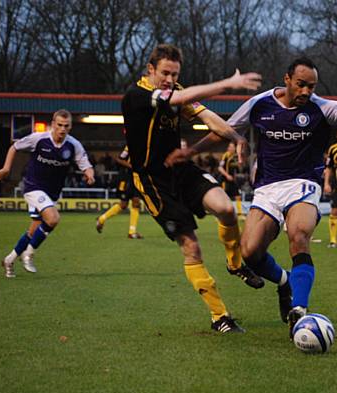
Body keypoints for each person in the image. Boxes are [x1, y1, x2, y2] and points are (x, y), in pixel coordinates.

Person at [166, 57, 337, 336]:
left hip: (304, 184)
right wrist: (190, 152)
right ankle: (284, 282)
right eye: (301, 85)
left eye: (311, 86)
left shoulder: (322, 108)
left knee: (299, 235)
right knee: (250, 252)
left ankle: (299, 310)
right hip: (267, 187)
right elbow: (225, 131)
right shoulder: (260, 104)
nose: (305, 92)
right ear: (287, 79)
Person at [122, 43, 264, 334]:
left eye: (174, 74)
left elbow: (207, 117)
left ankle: (235, 264)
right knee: (192, 247)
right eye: (165, 73)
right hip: (152, 182)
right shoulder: (137, 96)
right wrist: (229, 83)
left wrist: (236, 138)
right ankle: (219, 316)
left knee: (225, 208)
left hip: (179, 170)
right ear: (150, 70)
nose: (170, 79)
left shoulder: (174, 92)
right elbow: (183, 96)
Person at [0, 109, 95, 277]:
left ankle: (9, 260)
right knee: (53, 218)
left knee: (34, 231)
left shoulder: (73, 145)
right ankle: (28, 255)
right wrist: (6, 168)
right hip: (33, 186)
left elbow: (85, 164)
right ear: (53, 125)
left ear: (70, 127)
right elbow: (15, 147)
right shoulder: (39, 138)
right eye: (59, 125)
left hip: (52, 193)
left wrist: (89, 174)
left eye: (66, 126)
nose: (62, 129)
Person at [96, 145, 144, 239]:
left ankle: (132, 232)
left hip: (136, 178)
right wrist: (132, 166)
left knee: (136, 203)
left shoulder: (146, 146)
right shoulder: (130, 146)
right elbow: (119, 159)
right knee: (123, 204)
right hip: (126, 178)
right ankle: (101, 219)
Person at [218, 141, 244, 218]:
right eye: (230, 147)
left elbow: (237, 169)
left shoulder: (235, 157)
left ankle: (240, 214)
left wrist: (240, 165)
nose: (231, 148)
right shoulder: (225, 156)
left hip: (232, 180)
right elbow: (220, 168)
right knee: (223, 197)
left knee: (238, 196)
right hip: (224, 180)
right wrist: (227, 175)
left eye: (232, 147)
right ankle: (220, 214)